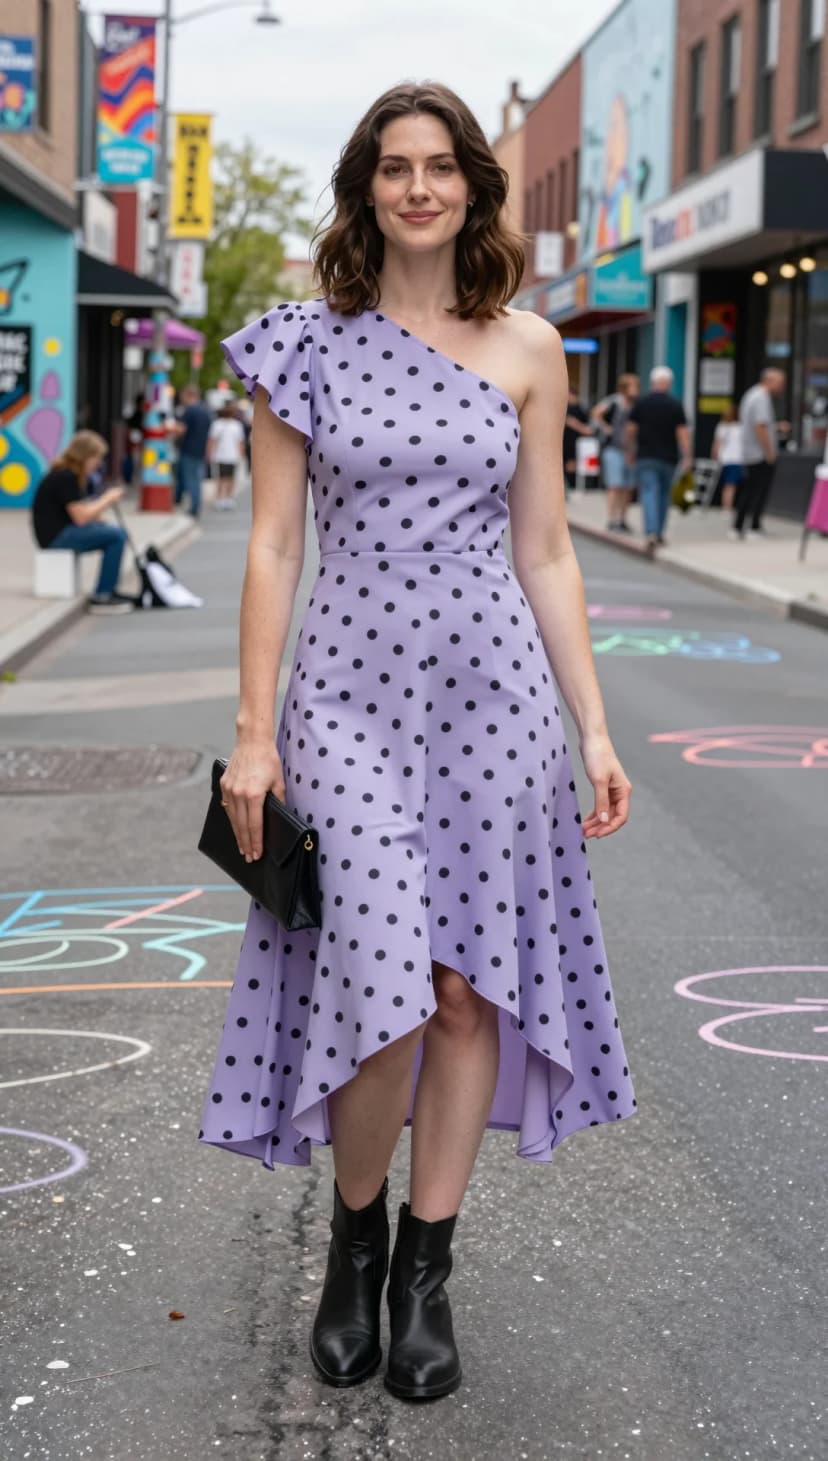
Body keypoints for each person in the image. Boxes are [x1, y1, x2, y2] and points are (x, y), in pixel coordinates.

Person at [201, 82, 635, 1404]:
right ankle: (355, 1242)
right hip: (344, 699)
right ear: (366, 189)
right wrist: (254, 734)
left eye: (441, 166)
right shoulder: (304, 345)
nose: (419, 188)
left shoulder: (531, 349)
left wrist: (594, 724)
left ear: (473, 188)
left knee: (460, 992)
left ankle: (424, 1275)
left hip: (493, 702)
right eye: (395, 168)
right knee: (377, 978)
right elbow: (274, 545)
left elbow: (546, 549)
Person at [31, 431, 133, 614]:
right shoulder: (65, 477)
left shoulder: (69, 475)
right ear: (84, 456)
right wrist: (107, 499)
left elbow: (81, 510)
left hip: (60, 530)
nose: (98, 463)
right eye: (96, 458)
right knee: (116, 536)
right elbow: (81, 517)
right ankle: (103, 594)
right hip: (56, 536)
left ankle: (107, 590)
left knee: (112, 532)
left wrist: (98, 518)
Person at [625, 365, 691, 554]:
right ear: (668, 383)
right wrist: (687, 456)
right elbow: (682, 433)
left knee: (649, 492)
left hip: (645, 455)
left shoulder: (642, 403)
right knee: (663, 495)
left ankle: (651, 531)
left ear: (653, 382)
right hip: (668, 457)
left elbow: (630, 430)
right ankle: (659, 532)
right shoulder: (675, 404)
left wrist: (629, 450)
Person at [732, 368, 786, 540]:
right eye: (780, 383)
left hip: (751, 451)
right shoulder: (761, 398)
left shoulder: (752, 395)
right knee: (757, 490)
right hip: (758, 453)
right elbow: (760, 427)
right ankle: (751, 527)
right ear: (769, 381)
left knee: (749, 489)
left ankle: (740, 526)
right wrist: (769, 451)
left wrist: (775, 427)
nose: (782, 387)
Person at [592, 372, 640, 532]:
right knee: (615, 485)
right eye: (632, 386)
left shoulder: (637, 405)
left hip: (631, 451)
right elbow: (596, 412)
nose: (635, 389)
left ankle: (622, 518)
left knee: (628, 487)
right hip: (613, 448)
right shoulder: (614, 401)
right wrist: (606, 428)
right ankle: (612, 518)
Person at [171, 384, 211, 518]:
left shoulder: (189, 411)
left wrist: (170, 428)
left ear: (189, 395)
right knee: (196, 479)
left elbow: (181, 429)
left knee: (189, 478)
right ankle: (195, 505)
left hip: (188, 448)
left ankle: (193, 507)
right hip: (200, 449)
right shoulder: (205, 411)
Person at [207, 403, 247, 510]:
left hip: (220, 455)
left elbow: (212, 441)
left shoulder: (217, 424)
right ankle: (228, 498)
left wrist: (209, 453)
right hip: (232, 455)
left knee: (220, 478)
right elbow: (240, 442)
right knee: (230, 478)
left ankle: (220, 498)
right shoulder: (236, 425)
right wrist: (241, 455)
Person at [711, 401, 744, 515]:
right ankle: (727, 507)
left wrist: (715, 456)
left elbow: (716, 444)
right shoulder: (739, 428)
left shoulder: (721, 426)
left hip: (724, 459)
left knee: (727, 484)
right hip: (736, 459)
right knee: (731, 485)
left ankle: (726, 506)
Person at [563, 381, 592, 493]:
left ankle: (573, 487)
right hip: (567, 440)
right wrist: (582, 428)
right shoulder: (565, 408)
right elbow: (570, 421)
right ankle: (569, 488)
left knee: (575, 465)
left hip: (577, 441)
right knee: (568, 465)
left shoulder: (580, 408)